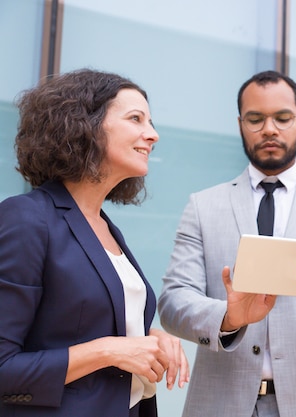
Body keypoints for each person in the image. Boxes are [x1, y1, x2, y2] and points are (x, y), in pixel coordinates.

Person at [157, 70, 296, 417]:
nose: (269, 129)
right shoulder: (203, 206)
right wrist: (227, 317)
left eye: (282, 118)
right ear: (240, 124)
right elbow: (172, 303)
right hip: (218, 405)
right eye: (255, 119)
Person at [0, 69, 189, 417]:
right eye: (136, 119)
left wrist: (149, 334)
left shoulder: (105, 227)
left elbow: (79, 318)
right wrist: (109, 351)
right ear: (83, 124)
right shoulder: (26, 219)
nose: (153, 135)